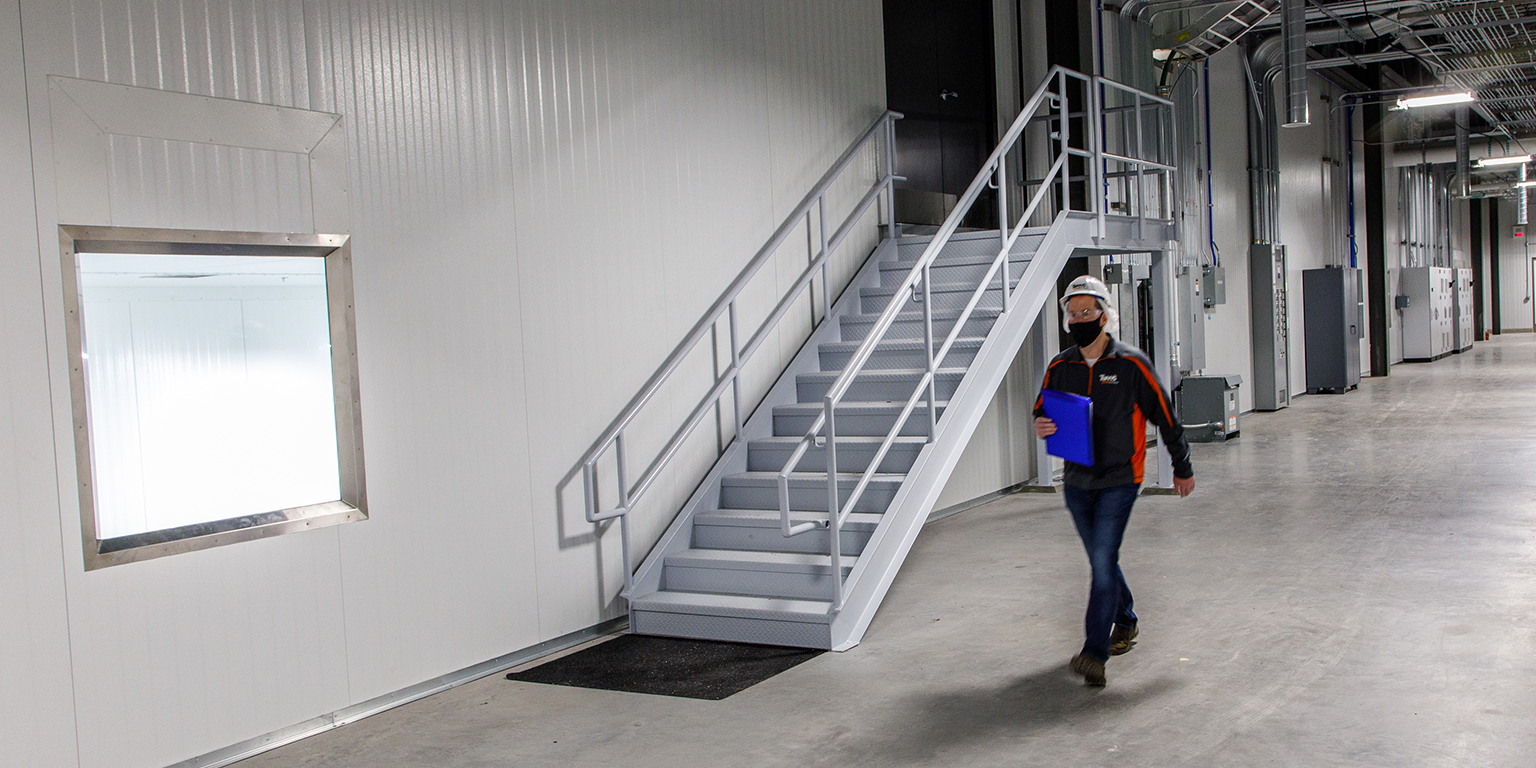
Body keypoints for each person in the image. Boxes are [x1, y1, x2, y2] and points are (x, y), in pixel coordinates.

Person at [1033, 275, 1195, 687]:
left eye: (1086, 312)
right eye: (1072, 313)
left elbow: (1166, 415)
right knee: (1101, 560)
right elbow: (1041, 408)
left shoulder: (1131, 364)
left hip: (1121, 479)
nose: (1078, 319)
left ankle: (1094, 653)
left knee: (1102, 561)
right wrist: (1042, 423)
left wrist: (1182, 466)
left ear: (1104, 316)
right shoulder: (1060, 365)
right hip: (1076, 481)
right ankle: (1126, 619)